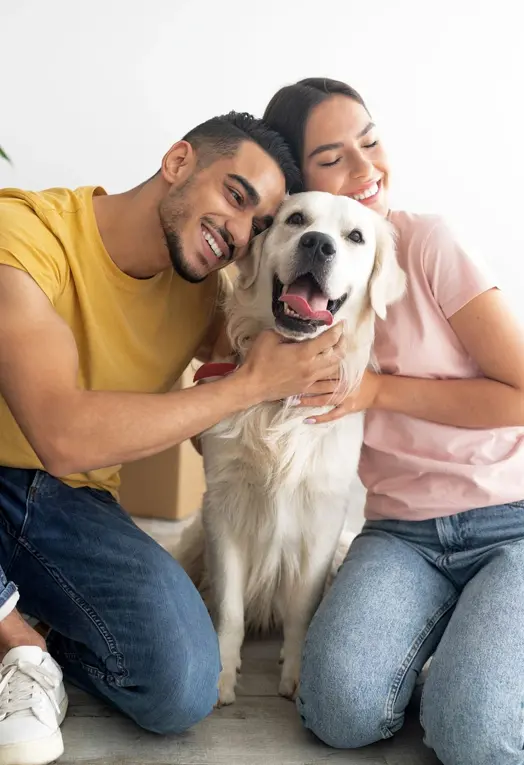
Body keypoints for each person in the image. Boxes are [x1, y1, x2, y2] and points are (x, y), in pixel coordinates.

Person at [0, 110, 345, 765]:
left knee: (183, 686)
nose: (237, 234)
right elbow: (61, 434)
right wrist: (247, 387)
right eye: (236, 196)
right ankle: (19, 642)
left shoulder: (206, 291)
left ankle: (35, 611)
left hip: (66, 507)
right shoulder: (24, 235)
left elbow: (236, 390)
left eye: (258, 227)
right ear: (179, 161)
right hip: (26, 461)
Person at [263, 78, 524, 765]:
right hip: (401, 534)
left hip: (513, 518)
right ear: (296, 182)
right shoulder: (290, 282)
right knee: (335, 709)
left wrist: (378, 389)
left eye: (370, 142)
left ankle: (479, 674)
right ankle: (463, 658)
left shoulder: (426, 243)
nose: (365, 168)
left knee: (474, 735)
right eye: (333, 157)